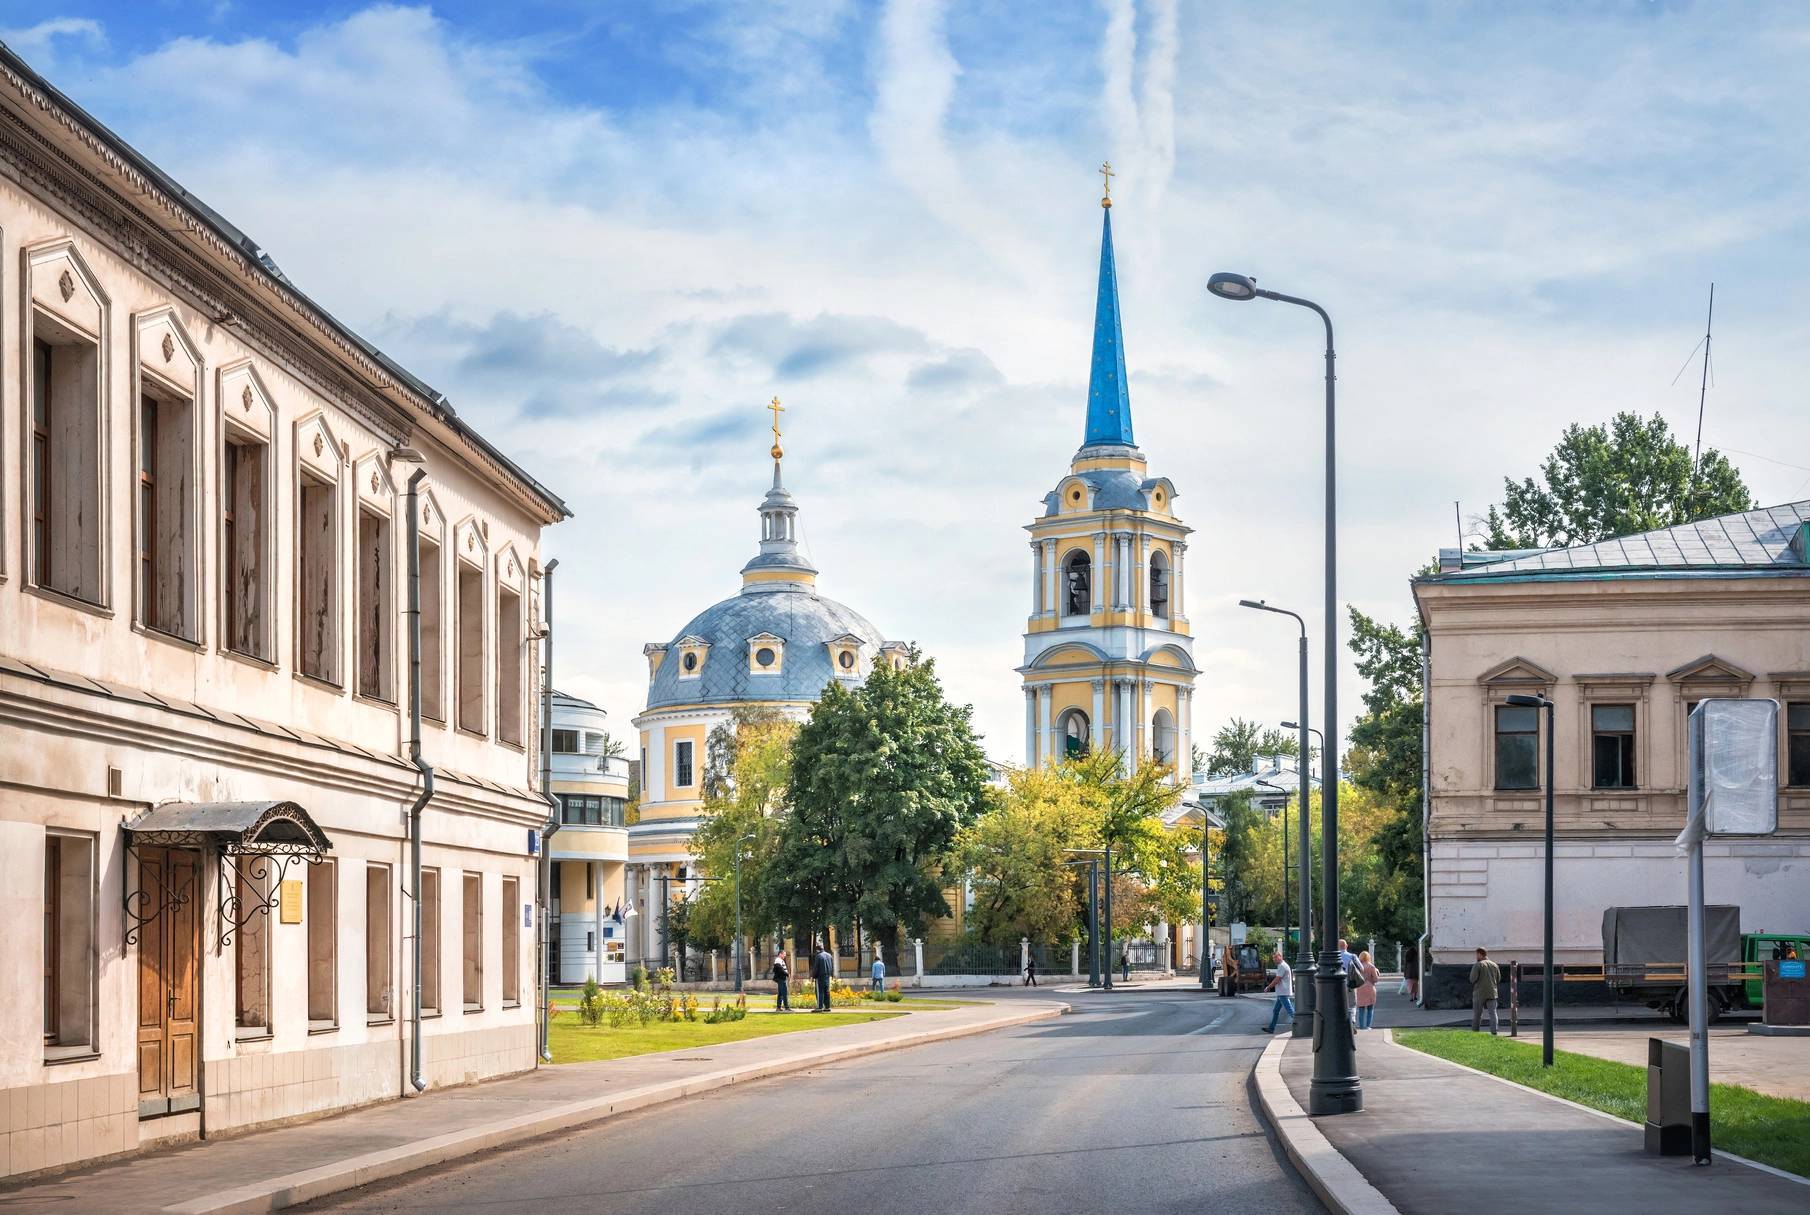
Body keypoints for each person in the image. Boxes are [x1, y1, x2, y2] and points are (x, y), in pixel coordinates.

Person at [1260, 950, 1293, 1033]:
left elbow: (1277, 979)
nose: (1274, 959)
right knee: (1276, 1010)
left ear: (1280, 957)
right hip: (1281, 992)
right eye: (1273, 958)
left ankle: (1300, 1024)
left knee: (1289, 1010)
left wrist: (1268, 987)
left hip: (1283, 992)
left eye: (1276, 957)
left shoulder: (1282, 966)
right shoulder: (1281, 966)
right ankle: (1271, 1028)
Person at [1470, 946, 1501, 1034]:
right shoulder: (1495, 965)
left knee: (1477, 1014)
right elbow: (1498, 979)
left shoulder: (1478, 965)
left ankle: (1475, 1031)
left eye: (1476, 955)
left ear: (1480, 954)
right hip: (1492, 993)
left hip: (1479, 993)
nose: (1476, 957)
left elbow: (1473, 979)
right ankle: (1494, 1031)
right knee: (1493, 1013)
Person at [1354, 950, 1380, 1029]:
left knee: (1361, 1008)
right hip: (1370, 988)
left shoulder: (1358, 966)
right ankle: (1368, 1025)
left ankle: (1361, 1027)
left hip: (1360, 988)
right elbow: (1375, 979)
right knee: (1370, 1007)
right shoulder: (1371, 966)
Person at [811, 939, 834, 1012]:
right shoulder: (829, 955)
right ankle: (827, 1007)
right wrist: (831, 975)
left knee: (819, 991)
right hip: (827, 976)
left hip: (820, 977)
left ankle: (819, 1007)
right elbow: (831, 966)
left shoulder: (818, 956)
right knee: (826, 991)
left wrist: (813, 976)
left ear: (817, 950)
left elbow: (816, 967)